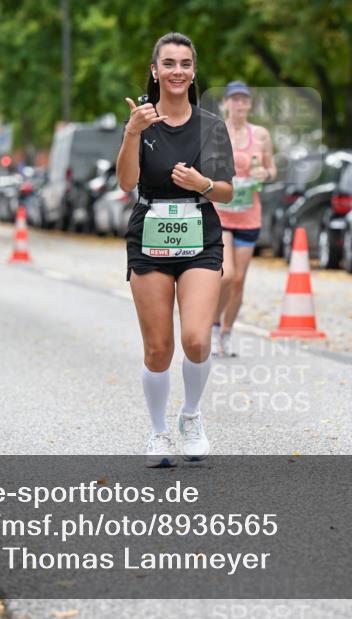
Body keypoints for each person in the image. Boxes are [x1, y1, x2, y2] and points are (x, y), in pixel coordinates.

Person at [117, 32, 235, 467]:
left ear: (193, 72)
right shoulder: (141, 124)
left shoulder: (211, 126)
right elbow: (126, 182)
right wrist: (132, 131)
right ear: (154, 71)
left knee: (197, 338)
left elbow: (225, 191)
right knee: (158, 349)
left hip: (199, 234)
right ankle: (158, 432)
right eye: (169, 63)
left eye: (185, 64)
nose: (177, 71)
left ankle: (190, 416)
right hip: (149, 235)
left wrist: (201, 183)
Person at [211, 81, 276, 357]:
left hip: (249, 215)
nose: (239, 104)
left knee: (240, 281)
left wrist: (265, 175)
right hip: (221, 213)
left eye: (244, 100)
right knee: (228, 275)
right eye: (234, 99)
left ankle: (226, 333)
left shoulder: (260, 135)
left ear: (249, 104)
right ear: (226, 103)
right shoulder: (216, 132)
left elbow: (271, 168)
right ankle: (212, 326)